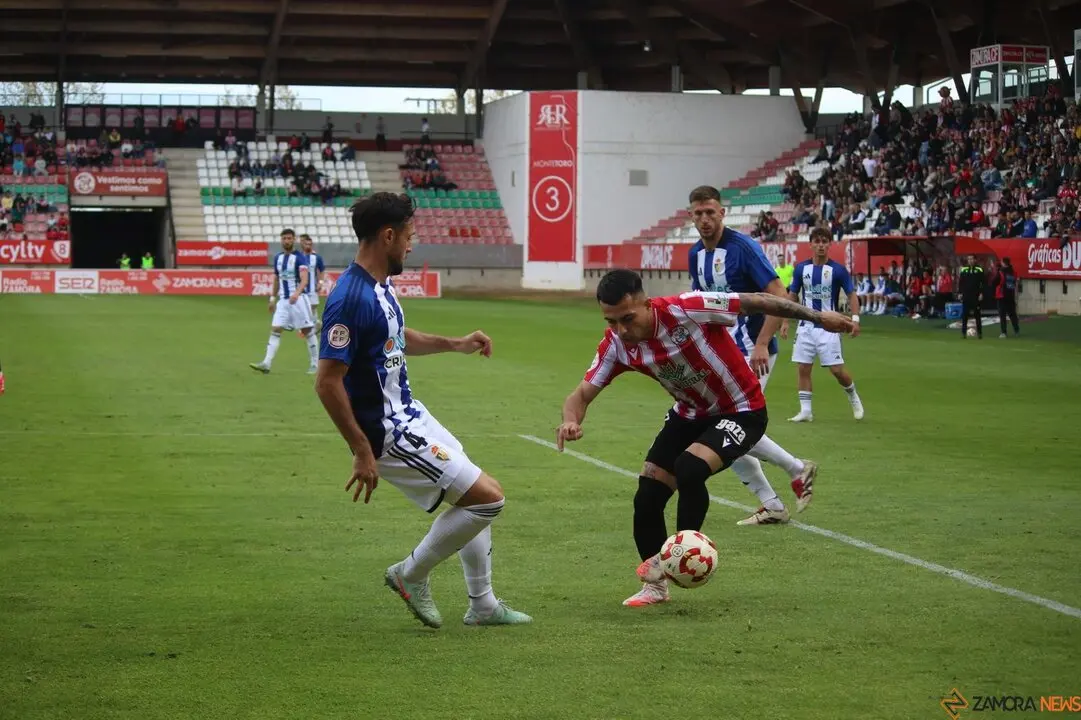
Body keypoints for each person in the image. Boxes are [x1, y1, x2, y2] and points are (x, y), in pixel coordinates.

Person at [556, 269, 855, 607]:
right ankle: (656, 588)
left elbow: (758, 300)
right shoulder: (616, 346)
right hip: (689, 414)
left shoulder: (687, 308)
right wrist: (570, 421)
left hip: (742, 410)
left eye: (627, 318)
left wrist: (818, 317)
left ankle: (683, 553)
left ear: (647, 304)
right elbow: (580, 395)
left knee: (689, 468)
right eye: (611, 322)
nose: (621, 330)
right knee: (647, 496)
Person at [315, 192, 530, 628]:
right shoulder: (350, 298)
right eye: (409, 237)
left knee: (477, 488)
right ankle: (409, 574)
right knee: (489, 500)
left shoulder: (379, 286)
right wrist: (361, 449)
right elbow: (327, 381)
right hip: (387, 432)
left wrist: (455, 343)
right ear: (388, 236)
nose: (412, 246)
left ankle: (482, 605)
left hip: (410, 412)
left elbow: (394, 336)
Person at [685, 185, 817, 525]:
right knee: (722, 428)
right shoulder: (695, 254)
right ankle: (777, 498)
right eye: (699, 213)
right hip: (721, 354)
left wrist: (762, 342)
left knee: (728, 426)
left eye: (710, 212)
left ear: (722, 212)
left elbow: (779, 296)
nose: (705, 219)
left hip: (752, 350)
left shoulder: (743, 248)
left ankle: (793, 473)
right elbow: (703, 305)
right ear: (691, 216)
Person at [783, 228, 865, 422]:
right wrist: (785, 320)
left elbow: (852, 295)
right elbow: (792, 295)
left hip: (829, 328)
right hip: (805, 327)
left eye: (824, 241)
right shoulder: (801, 269)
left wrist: (855, 320)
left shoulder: (837, 270)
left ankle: (853, 395)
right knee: (803, 368)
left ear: (829, 244)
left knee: (837, 371)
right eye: (817, 241)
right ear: (811, 244)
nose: (820, 245)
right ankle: (806, 411)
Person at [250, 229, 318, 375]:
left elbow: (304, 279)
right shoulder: (278, 258)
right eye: (284, 238)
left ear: (294, 240)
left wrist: (296, 293)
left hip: (299, 301)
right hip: (283, 301)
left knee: (307, 331)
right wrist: (272, 298)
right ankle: (266, 363)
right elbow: (276, 279)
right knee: (275, 329)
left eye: (289, 238)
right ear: (281, 240)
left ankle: (315, 363)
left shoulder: (299, 257)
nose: (286, 241)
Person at [299, 234, 327, 333]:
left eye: (309, 244)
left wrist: (320, 282)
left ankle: (312, 326)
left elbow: (322, 270)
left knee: (312, 307)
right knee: (304, 308)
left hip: (312, 288)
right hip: (301, 288)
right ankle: (315, 323)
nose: (308, 246)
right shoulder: (299, 257)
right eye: (306, 244)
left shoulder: (316, 257)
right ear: (302, 244)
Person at [959, 254, 986, 339]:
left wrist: (981, 293)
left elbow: (983, 283)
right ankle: (963, 333)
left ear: (975, 260)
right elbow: (961, 282)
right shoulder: (964, 269)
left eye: (971, 259)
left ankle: (980, 333)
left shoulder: (979, 269)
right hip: (966, 295)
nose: (970, 260)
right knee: (965, 315)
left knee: (977, 315)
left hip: (975, 295)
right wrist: (960, 293)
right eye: (968, 259)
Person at [994, 257, 1020, 338]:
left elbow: (994, 282)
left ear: (1003, 263)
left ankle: (1003, 332)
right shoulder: (1013, 272)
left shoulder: (1001, 272)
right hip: (1010, 296)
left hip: (1002, 296)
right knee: (1012, 314)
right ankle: (1016, 330)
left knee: (1002, 315)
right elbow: (1015, 283)